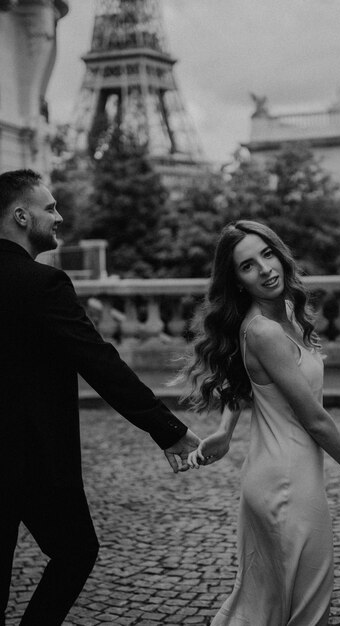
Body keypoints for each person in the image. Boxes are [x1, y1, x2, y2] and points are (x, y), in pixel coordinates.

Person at [0, 169, 200, 626]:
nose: (60, 216)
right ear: (19, 215)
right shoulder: (41, 285)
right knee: (76, 551)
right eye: (49, 207)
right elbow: (100, 363)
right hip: (31, 460)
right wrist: (166, 428)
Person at [184, 220, 340, 625]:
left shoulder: (283, 311)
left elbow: (246, 381)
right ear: (237, 280)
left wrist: (225, 430)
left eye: (267, 254)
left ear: (279, 253)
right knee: (308, 610)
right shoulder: (264, 332)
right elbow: (315, 419)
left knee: (267, 605)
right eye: (248, 266)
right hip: (289, 487)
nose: (265, 269)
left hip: (274, 476)